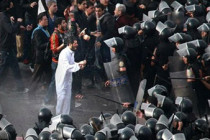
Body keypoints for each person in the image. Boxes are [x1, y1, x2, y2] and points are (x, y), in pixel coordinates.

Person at [0, 0, 28, 93]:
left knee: (15, 68)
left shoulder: (6, 16)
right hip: (5, 48)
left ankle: (21, 88)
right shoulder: (3, 17)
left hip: (9, 47)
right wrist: (18, 23)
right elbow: (10, 30)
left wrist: (18, 27)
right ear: (7, 8)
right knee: (3, 69)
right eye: (11, 7)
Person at [55, 36, 87, 115]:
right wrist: (80, 65)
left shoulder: (71, 52)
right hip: (61, 79)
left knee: (67, 99)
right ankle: (58, 116)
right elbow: (67, 67)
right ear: (70, 44)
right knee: (61, 98)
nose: (77, 45)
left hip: (68, 79)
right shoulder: (64, 54)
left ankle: (65, 116)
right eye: (75, 43)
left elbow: (72, 64)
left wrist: (79, 64)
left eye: (77, 43)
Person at [44, 17, 67, 105]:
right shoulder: (55, 35)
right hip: (57, 62)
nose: (65, 24)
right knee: (54, 82)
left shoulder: (63, 33)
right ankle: (47, 100)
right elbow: (54, 49)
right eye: (64, 23)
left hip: (63, 61)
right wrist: (64, 45)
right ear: (59, 25)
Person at [31, 12, 51, 93]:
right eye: (45, 19)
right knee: (36, 77)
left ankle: (49, 94)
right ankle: (31, 94)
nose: (47, 21)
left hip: (45, 58)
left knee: (49, 76)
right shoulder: (37, 31)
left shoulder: (45, 30)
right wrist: (49, 43)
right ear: (40, 21)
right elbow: (39, 45)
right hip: (39, 58)